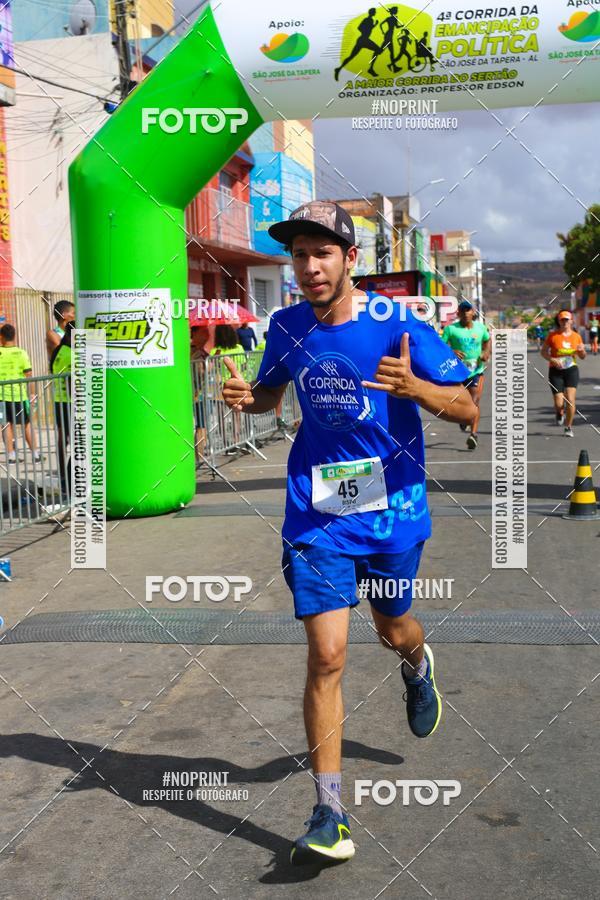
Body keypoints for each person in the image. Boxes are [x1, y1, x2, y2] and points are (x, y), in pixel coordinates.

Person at [221, 200, 475, 863]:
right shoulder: (285, 325)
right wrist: (248, 400)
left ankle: (418, 666)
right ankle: (329, 812)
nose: (308, 267)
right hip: (317, 512)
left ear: (351, 259)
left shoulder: (399, 323)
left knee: (393, 628)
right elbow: (273, 395)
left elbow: (469, 408)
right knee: (327, 654)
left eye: (321, 253)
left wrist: (418, 388)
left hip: (391, 511)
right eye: (299, 255)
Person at [442, 301, 491, 450]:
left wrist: (485, 353)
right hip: (458, 372)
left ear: (473, 312)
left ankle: (473, 434)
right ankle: (464, 417)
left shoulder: (481, 328)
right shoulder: (451, 329)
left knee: (474, 402)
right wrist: (452, 352)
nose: (465, 313)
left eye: (468, 310)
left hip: (476, 371)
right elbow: (440, 346)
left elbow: (487, 341)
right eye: (462, 310)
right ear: (458, 313)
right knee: (459, 402)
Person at [541, 309, 585, 437]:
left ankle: (568, 427)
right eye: (562, 320)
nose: (565, 322)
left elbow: (582, 356)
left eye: (567, 320)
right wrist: (552, 359)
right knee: (559, 403)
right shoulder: (553, 336)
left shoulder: (576, 336)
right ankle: (559, 412)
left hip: (571, 369)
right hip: (555, 371)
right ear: (559, 321)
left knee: (570, 400)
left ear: (571, 321)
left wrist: (582, 351)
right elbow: (543, 352)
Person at [0, 323, 40, 463]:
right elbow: (29, 375)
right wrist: (33, 394)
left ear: (1, 337)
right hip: (19, 395)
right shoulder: (22, 353)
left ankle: (11, 457)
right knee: (27, 424)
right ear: (15, 336)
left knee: (5, 425)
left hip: (2, 397)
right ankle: (36, 455)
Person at [211, 324, 247, 452]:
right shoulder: (239, 348)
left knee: (221, 415)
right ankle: (236, 440)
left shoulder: (216, 350)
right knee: (236, 413)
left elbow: (212, 369)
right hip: (237, 384)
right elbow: (243, 365)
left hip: (222, 386)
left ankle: (226, 443)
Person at [50, 321, 74, 493]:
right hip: (70, 402)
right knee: (78, 442)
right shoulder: (71, 354)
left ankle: (64, 478)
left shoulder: (58, 350)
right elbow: (71, 380)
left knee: (62, 440)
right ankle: (70, 478)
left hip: (59, 401)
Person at [334, 8, 382, 80]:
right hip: (364, 40)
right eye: (374, 11)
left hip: (362, 40)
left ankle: (339, 68)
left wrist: (373, 26)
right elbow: (360, 28)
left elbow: (364, 28)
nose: (375, 12)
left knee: (352, 56)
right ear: (372, 12)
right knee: (378, 50)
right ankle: (370, 69)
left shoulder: (369, 20)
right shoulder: (368, 19)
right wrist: (367, 30)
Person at [191, 326, 210, 466]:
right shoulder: (193, 351)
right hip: (194, 394)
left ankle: (200, 456)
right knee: (198, 425)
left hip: (202, 393)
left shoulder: (202, 352)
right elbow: (200, 372)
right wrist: (206, 367)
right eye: (204, 332)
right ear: (195, 334)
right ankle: (198, 457)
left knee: (202, 424)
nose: (207, 335)